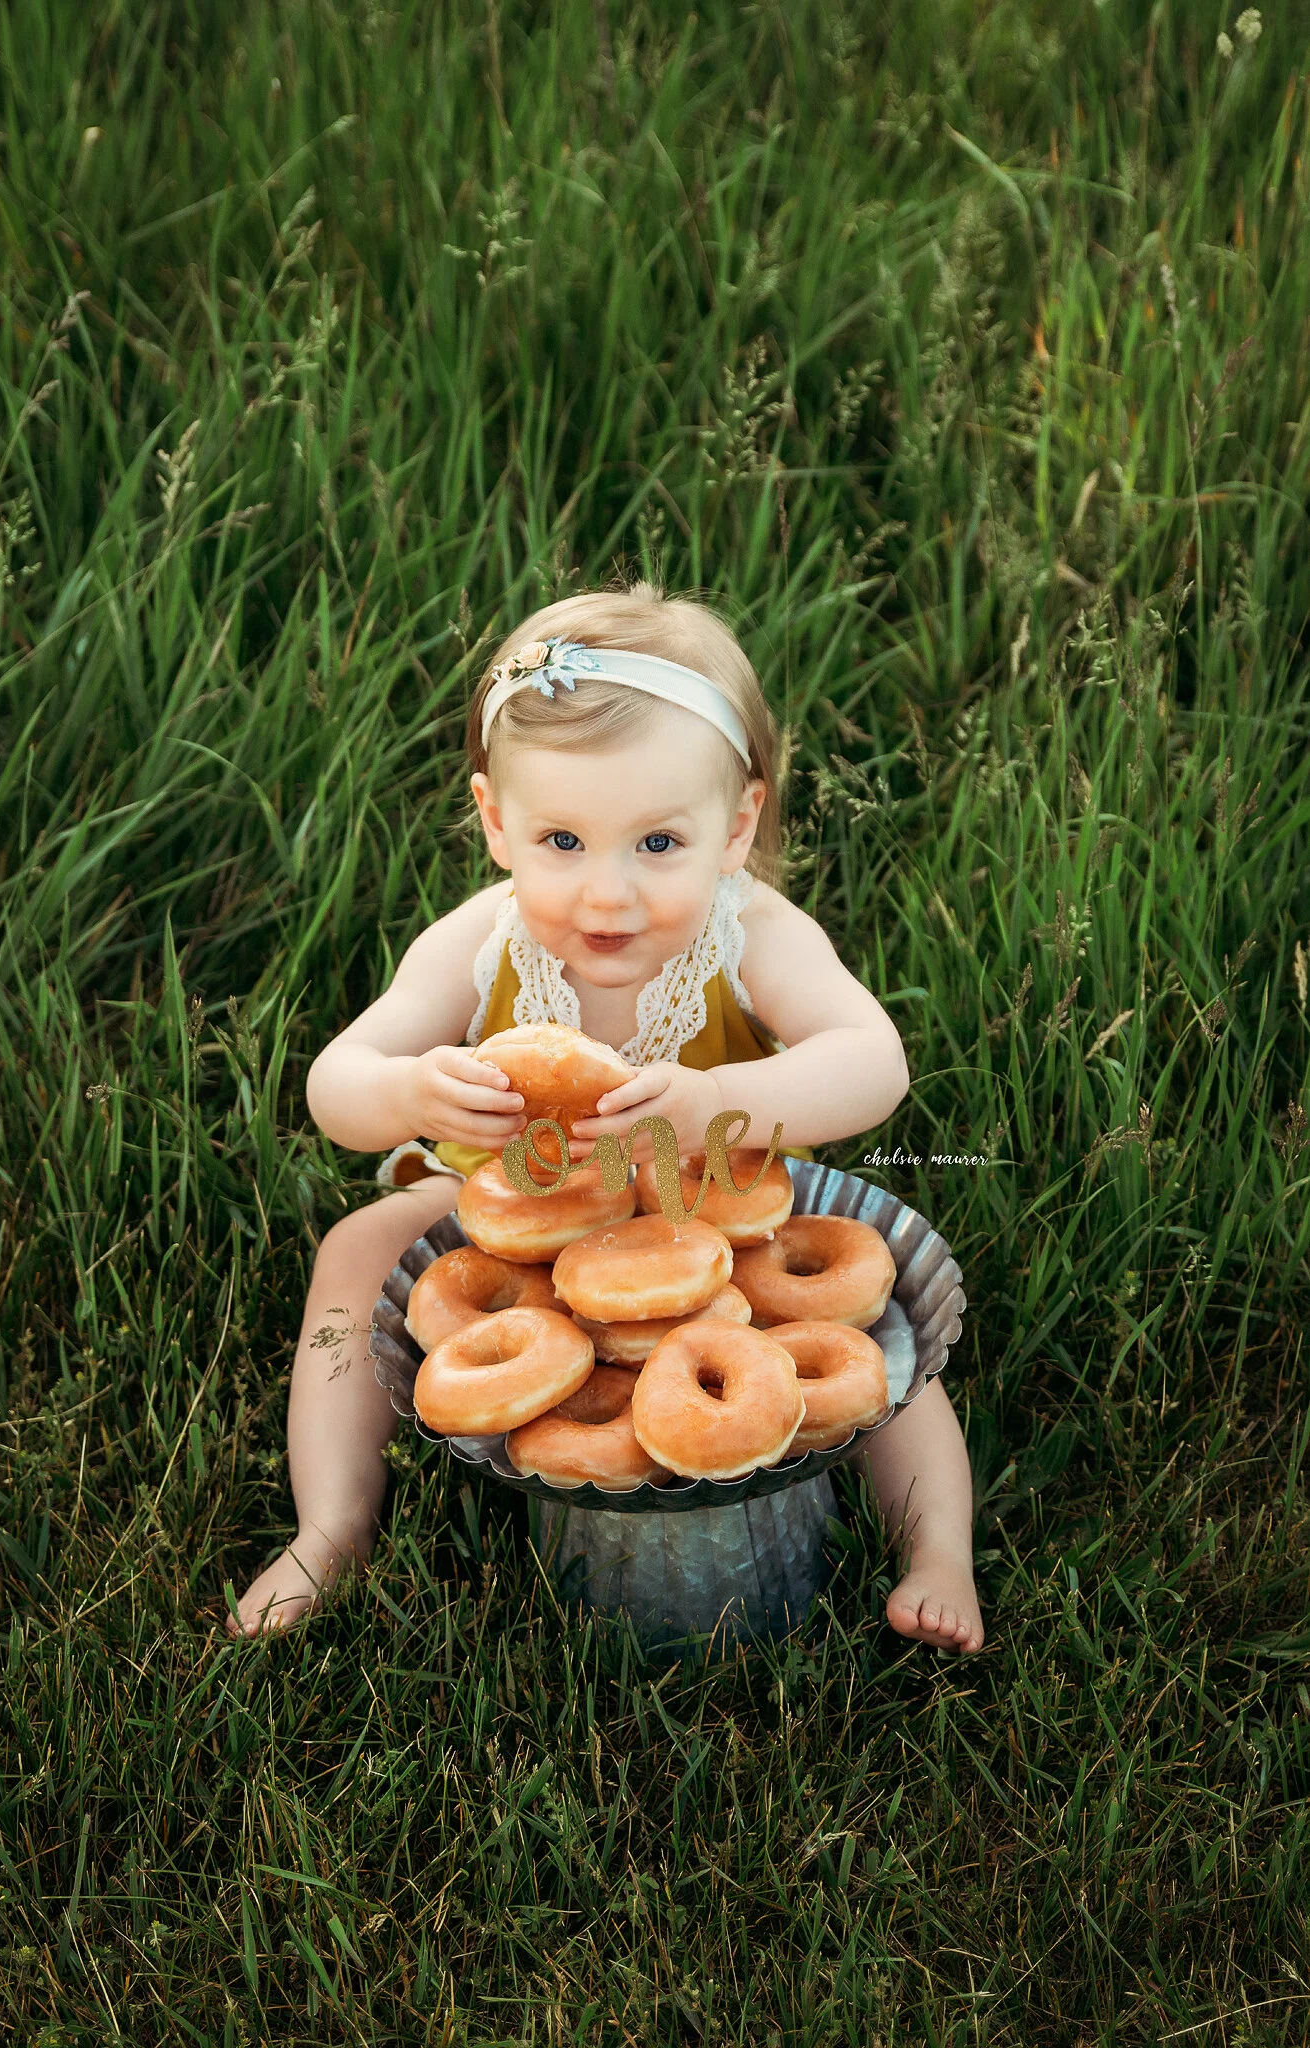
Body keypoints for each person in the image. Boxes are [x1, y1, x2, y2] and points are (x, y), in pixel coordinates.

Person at [225, 582, 985, 1653]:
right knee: (357, 1250)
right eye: (565, 840)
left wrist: (723, 1100)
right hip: (515, 1210)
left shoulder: (750, 932)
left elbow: (874, 1062)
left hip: (711, 1214)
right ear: (498, 822)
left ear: (737, 824)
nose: (609, 894)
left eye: (658, 843)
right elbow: (335, 1079)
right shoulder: (480, 942)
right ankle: (334, 1522)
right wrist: (409, 1090)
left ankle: (938, 1546)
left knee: (871, 1333)